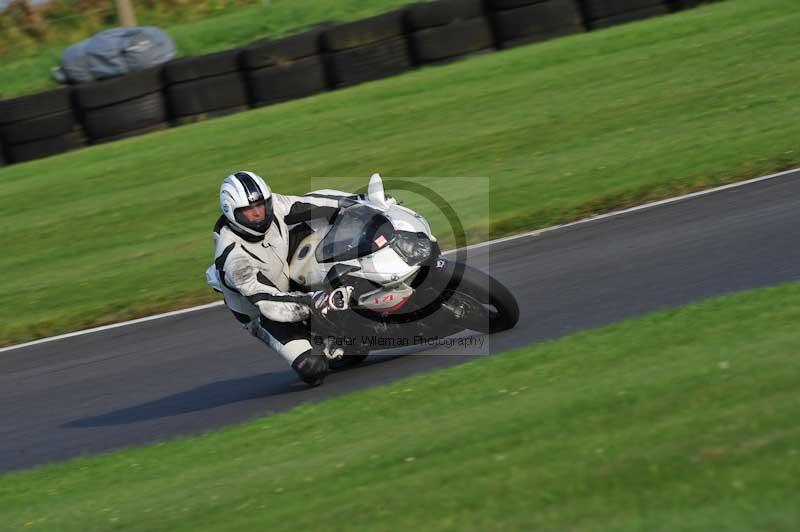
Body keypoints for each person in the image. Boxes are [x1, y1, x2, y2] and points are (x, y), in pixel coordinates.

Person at [208, 171, 343, 386]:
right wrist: (314, 302)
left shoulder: (274, 206)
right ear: (231, 213)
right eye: (248, 211)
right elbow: (268, 302)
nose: (258, 214)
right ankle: (319, 336)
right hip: (265, 313)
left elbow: (313, 202)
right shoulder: (233, 259)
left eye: (261, 205)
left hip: (285, 272)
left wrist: (362, 202)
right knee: (313, 368)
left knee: (331, 222)